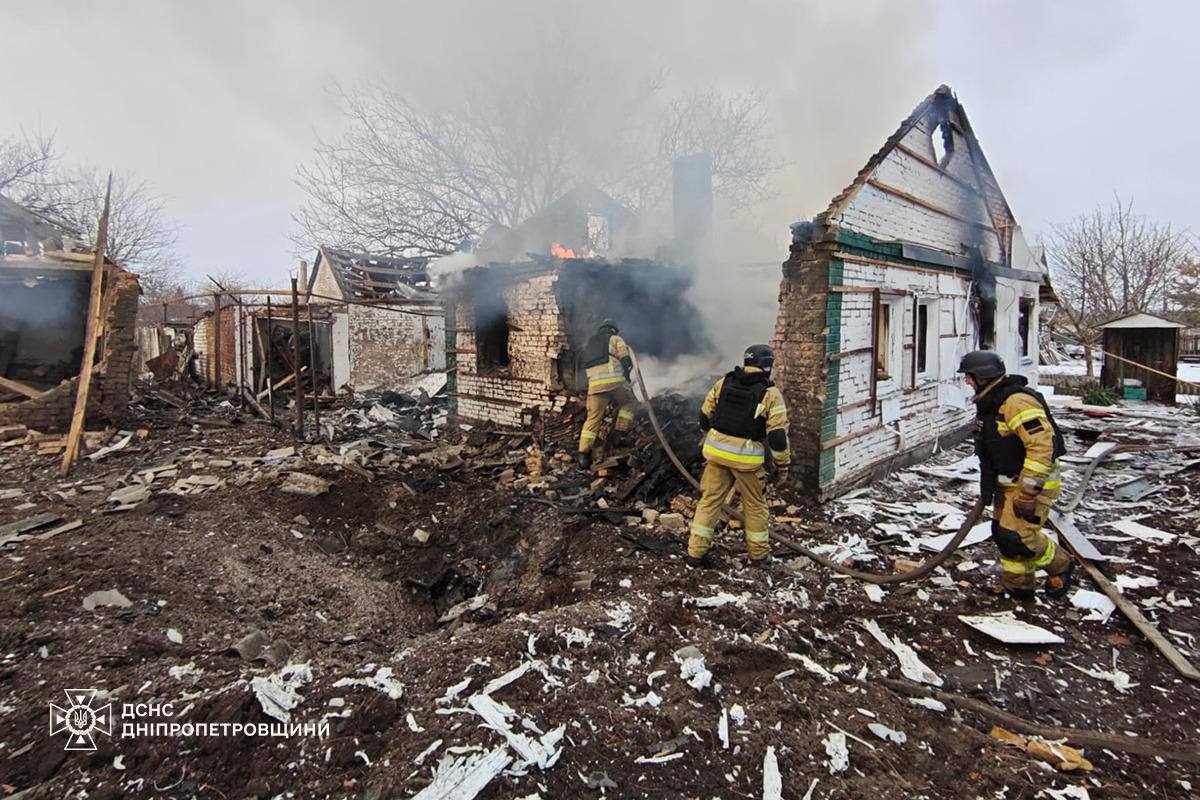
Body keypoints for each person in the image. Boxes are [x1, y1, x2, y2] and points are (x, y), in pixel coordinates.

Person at [959, 350, 1074, 601]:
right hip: (1007, 482)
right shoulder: (992, 402)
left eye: (969, 376)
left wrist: (1029, 491)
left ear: (983, 376)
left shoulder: (1016, 402)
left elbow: (1042, 445)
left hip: (1031, 485)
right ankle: (1018, 586)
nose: (967, 381)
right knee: (1005, 535)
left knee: (1020, 536)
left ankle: (1060, 564)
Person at [686, 344, 790, 567]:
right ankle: (759, 555)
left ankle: (695, 553)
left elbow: (704, 415)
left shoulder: (724, 382)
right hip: (746, 461)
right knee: (755, 506)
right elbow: (778, 437)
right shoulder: (770, 394)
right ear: (767, 366)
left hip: (715, 454)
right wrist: (782, 466)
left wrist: (712, 436)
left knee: (709, 502)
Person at [576, 319, 637, 469]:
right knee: (629, 403)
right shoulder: (616, 339)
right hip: (615, 382)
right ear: (614, 330)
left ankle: (583, 455)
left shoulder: (590, 344)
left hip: (595, 386)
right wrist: (627, 375)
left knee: (593, 418)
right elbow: (626, 360)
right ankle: (620, 433)